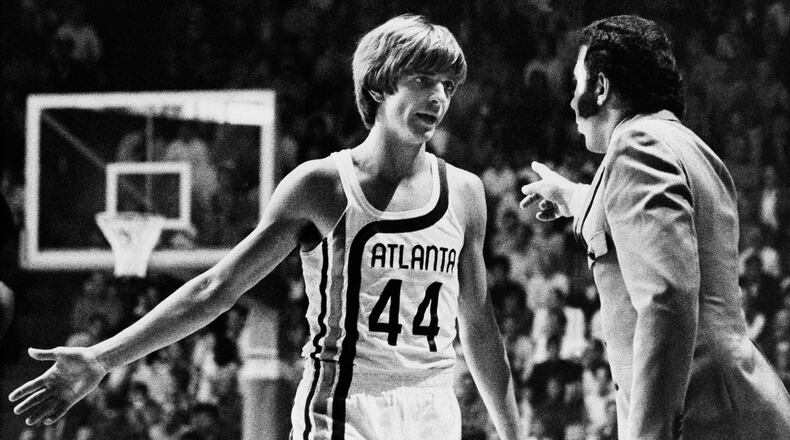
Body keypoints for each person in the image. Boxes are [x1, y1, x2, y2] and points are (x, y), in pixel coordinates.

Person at [9, 14, 521, 440]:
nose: (438, 97)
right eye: (423, 80)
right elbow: (216, 289)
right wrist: (101, 358)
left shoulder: (466, 192)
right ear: (381, 82)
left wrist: (513, 433)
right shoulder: (323, 185)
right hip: (345, 405)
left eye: (447, 85)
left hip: (434, 405)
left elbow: (477, 325)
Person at [520, 15, 790, 440]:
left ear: (602, 87)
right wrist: (573, 197)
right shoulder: (684, 144)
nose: (572, 102)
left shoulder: (635, 147)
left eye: (577, 84)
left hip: (701, 414)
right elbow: (639, 224)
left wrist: (648, 434)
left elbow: (666, 299)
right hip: (730, 403)